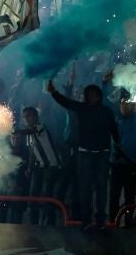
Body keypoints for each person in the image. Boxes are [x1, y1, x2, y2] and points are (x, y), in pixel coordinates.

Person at [47, 79, 119, 230]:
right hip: (84, 153)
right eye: (88, 95)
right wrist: (54, 92)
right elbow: (65, 102)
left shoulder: (106, 111)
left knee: (101, 188)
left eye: (94, 95)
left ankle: (100, 221)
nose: (90, 97)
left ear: (99, 96)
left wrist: (117, 144)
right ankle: (86, 220)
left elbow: (113, 128)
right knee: (84, 187)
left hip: (102, 154)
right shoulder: (82, 108)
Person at [14, 107, 63, 225]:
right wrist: (29, 168)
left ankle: (49, 224)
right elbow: (32, 152)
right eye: (25, 116)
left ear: (36, 117)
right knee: (33, 196)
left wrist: (18, 131)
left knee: (46, 195)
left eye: (29, 116)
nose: (27, 119)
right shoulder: (29, 134)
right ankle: (33, 224)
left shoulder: (42, 127)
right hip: (39, 167)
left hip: (51, 166)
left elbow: (31, 131)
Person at [108, 91, 136, 226]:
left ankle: (128, 223)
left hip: (131, 165)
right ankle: (113, 222)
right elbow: (108, 103)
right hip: (116, 164)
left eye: (128, 104)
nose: (125, 106)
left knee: (130, 196)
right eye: (123, 103)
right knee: (114, 195)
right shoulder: (115, 119)